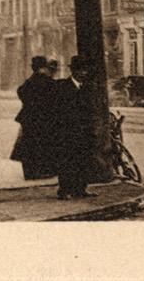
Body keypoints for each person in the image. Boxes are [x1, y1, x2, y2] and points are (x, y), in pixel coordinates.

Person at [54, 55, 97, 199]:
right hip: (67, 132)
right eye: (81, 70)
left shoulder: (86, 88)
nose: (84, 73)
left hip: (84, 131)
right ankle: (64, 190)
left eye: (86, 71)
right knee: (67, 161)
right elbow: (58, 111)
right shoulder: (63, 87)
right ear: (73, 71)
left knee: (83, 160)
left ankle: (81, 189)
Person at [11, 55, 58, 180]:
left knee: (29, 144)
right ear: (43, 68)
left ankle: (31, 171)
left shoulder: (31, 80)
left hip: (30, 118)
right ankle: (39, 171)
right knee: (40, 144)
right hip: (40, 119)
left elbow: (21, 91)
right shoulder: (45, 81)